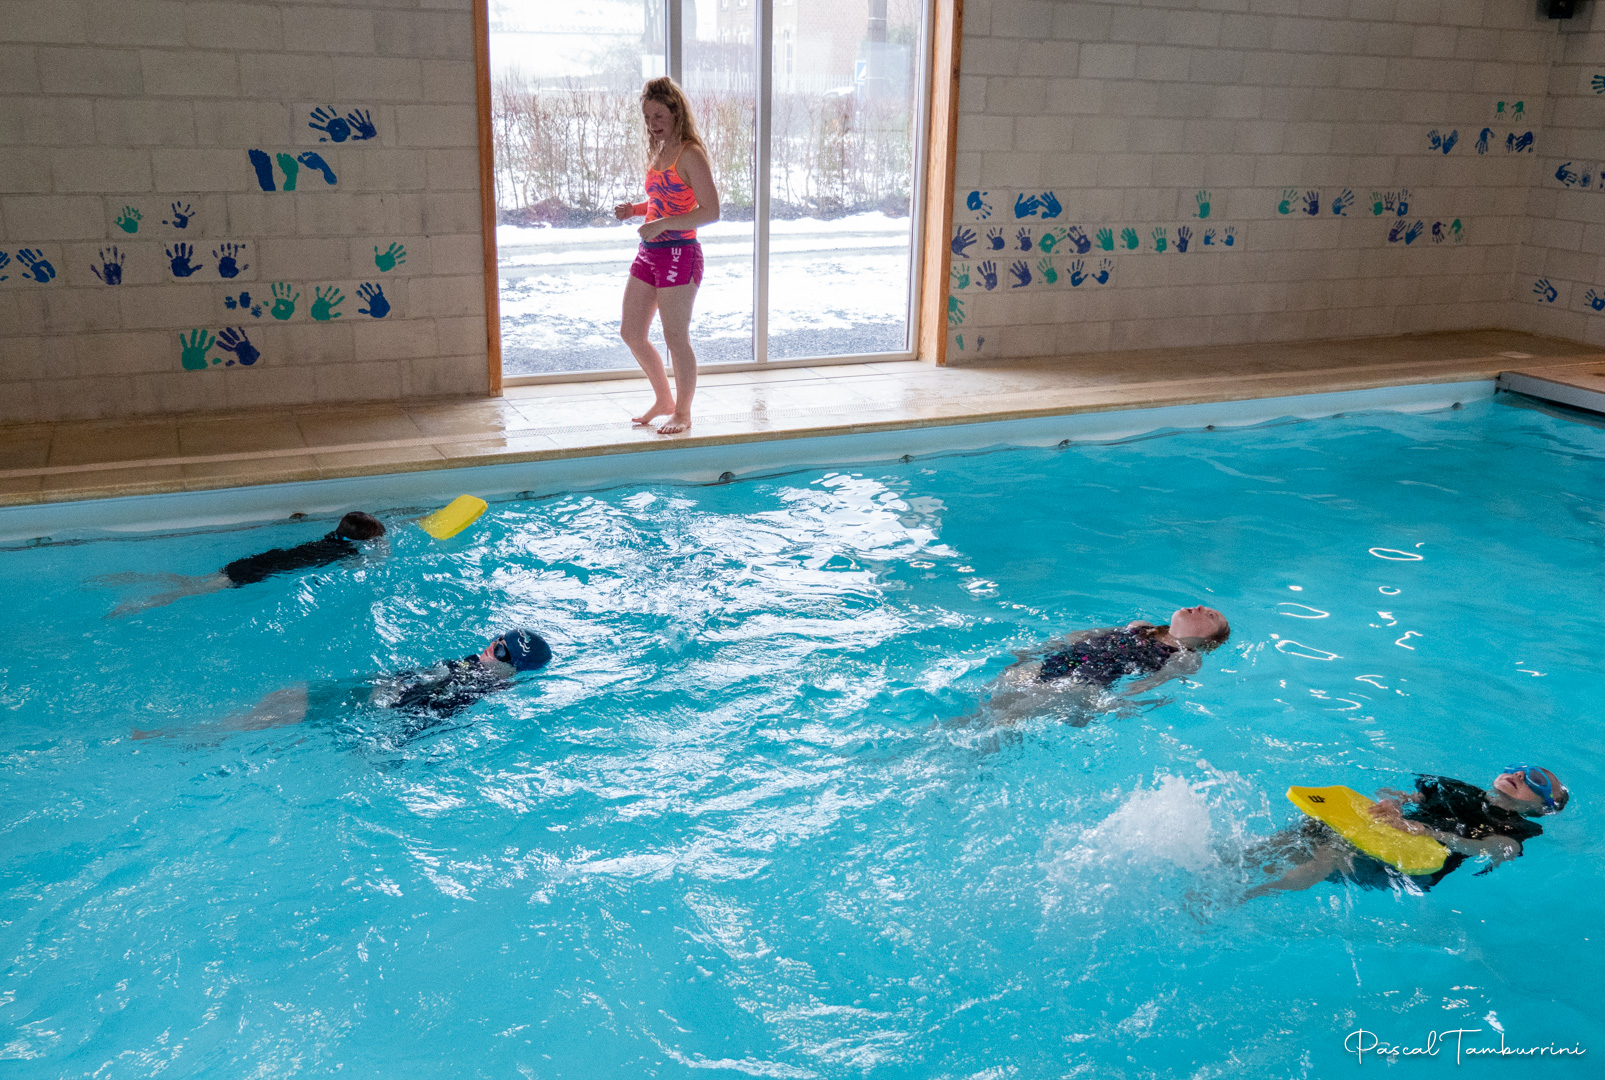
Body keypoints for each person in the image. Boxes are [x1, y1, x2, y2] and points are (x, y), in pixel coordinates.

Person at [131, 629, 552, 744]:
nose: (491, 648)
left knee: (265, 716)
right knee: (279, 700)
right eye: (497, 639)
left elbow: (427, 719)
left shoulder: (476, 687)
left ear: (511, 670)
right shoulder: (477, 668)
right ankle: (209, 736)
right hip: (362, 689)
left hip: (366, 706)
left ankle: (168, 737)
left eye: (502, 652)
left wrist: (385, 749)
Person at [1244, 765, 1569, 898]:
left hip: (1412, 863)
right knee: (1313, 826)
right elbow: (1410, 799)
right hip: (1394, 834)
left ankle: (1245, 895)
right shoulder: (1457, 789)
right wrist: (1397, 806)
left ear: (1543, 808)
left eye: (1536, 780)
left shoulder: (1514, 829)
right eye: (1518, 769)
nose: (1520, 775)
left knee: (1330, 855)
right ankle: (1238, 858)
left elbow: (1494, 850)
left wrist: (1426, 830)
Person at [613, 77, 721, 436]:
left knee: (676, 338)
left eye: (658, 115)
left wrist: (662, 225)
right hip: (650, 253)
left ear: (676, 112)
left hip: (679, 253)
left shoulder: (690, 153)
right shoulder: (660, 151)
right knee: (631, 332)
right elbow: (665, 198)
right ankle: (664, 400)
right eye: (647, 117)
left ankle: (683, 413)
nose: (652, 124)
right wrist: (636, 210)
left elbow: (710, 211)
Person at [964, 605, 1231, 728]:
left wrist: (1129, 697)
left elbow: (1158, 681)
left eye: (1210, 615)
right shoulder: (1142, 627)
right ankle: (965, 725)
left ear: (1208, 640)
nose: (1199, 607)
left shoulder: (1187, 656)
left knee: (1006, 714)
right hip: (1061, 663)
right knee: (991, 694)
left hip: (1085, 683)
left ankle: (967, 739)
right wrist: (1039, 650)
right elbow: (1083, 636)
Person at [98, 511, 385, 617]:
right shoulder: (347, 554)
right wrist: (379, 550)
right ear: (361, 540)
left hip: (263, 560)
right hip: (261, 572)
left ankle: (132, 576)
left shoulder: (329, 539)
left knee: (192, 581)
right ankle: (137, 605)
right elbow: (363, 569)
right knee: (190, 591)